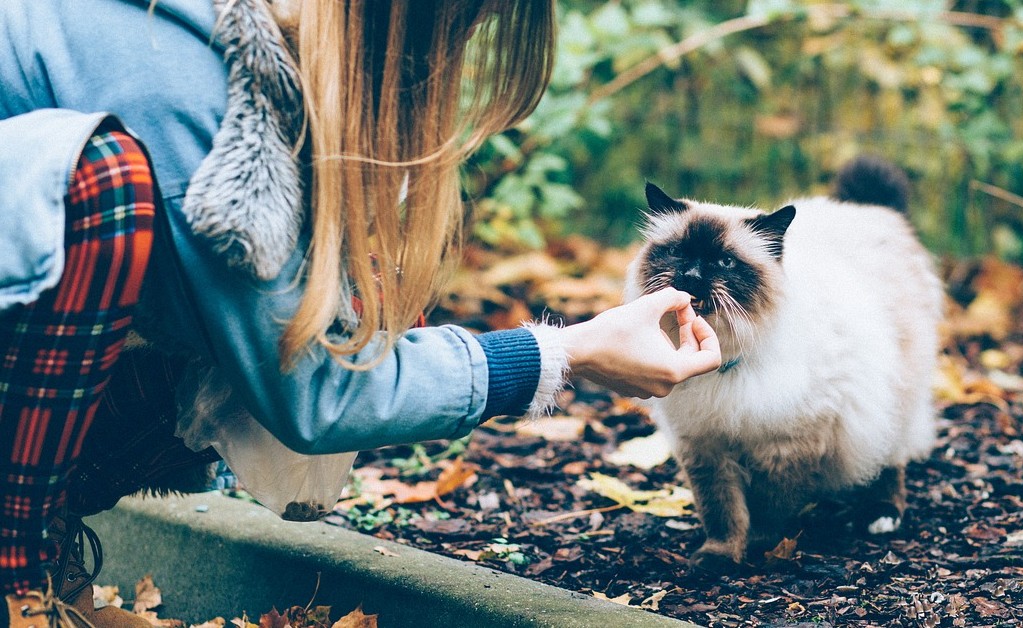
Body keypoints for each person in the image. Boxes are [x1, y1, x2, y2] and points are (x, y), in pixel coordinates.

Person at [0, 0, 721, 621]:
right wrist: (570, 350)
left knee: (283, 308)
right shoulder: (192, 87)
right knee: (108, 190)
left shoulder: (252, 61)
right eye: (458, 30)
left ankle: (41, 535)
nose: (449, 64)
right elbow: (316, 390)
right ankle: (16, 574)